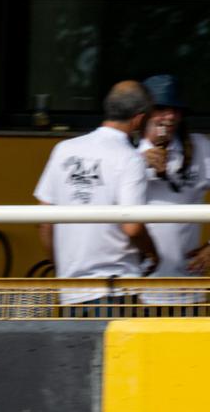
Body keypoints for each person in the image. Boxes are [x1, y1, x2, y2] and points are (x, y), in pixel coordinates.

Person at [34, 81, 159, 316]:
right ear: (139, 119)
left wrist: (62, 267)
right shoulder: (130, 159)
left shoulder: (64, 149)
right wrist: (153, 253)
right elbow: (132, 228)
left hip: (71, 290)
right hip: (115, 290)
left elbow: (44, 222)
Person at [136, 75, 210, 311]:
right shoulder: (124, 150)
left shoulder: (200, 147)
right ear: (142, 113)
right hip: (135, 289)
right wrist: (137, 164)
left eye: (175, 109)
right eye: (160, 108)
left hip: (189, 289)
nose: (169, 116)